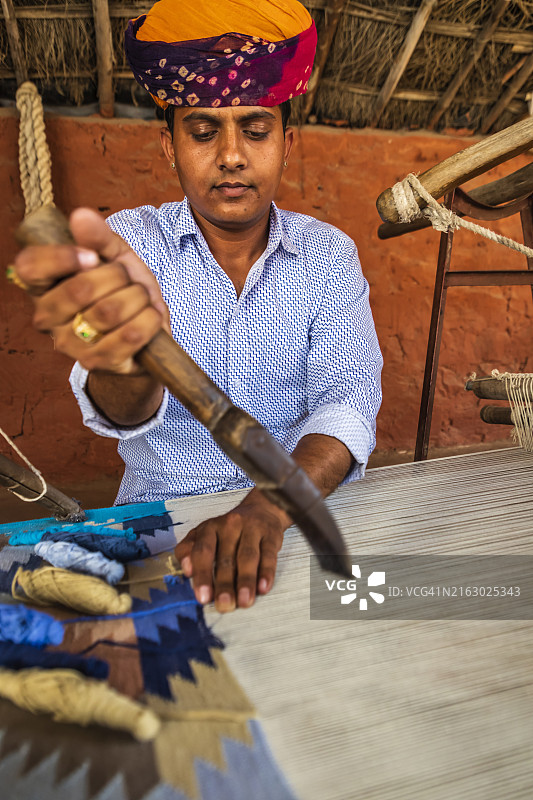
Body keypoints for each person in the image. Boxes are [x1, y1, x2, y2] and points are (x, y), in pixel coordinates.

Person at [12, 0, 382, 613]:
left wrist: (267, 506)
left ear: (287, 144)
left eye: (256, 131)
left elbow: (345, 409)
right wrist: (126, 360)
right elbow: (120, 412)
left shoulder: (328, 255)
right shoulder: (129, 246)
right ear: (169, 146)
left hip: (288, 512)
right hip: (160, 519)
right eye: (204, 132)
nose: (232, 156)